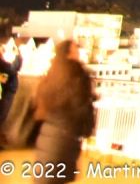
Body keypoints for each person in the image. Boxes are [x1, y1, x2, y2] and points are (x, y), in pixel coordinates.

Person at [33, 38, 95, 182]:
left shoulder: (52, 75)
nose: (79, 51)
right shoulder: (77, 76)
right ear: (68, 54)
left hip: (47, 133)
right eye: (76, 48)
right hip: (65, 138)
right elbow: (80, 107)